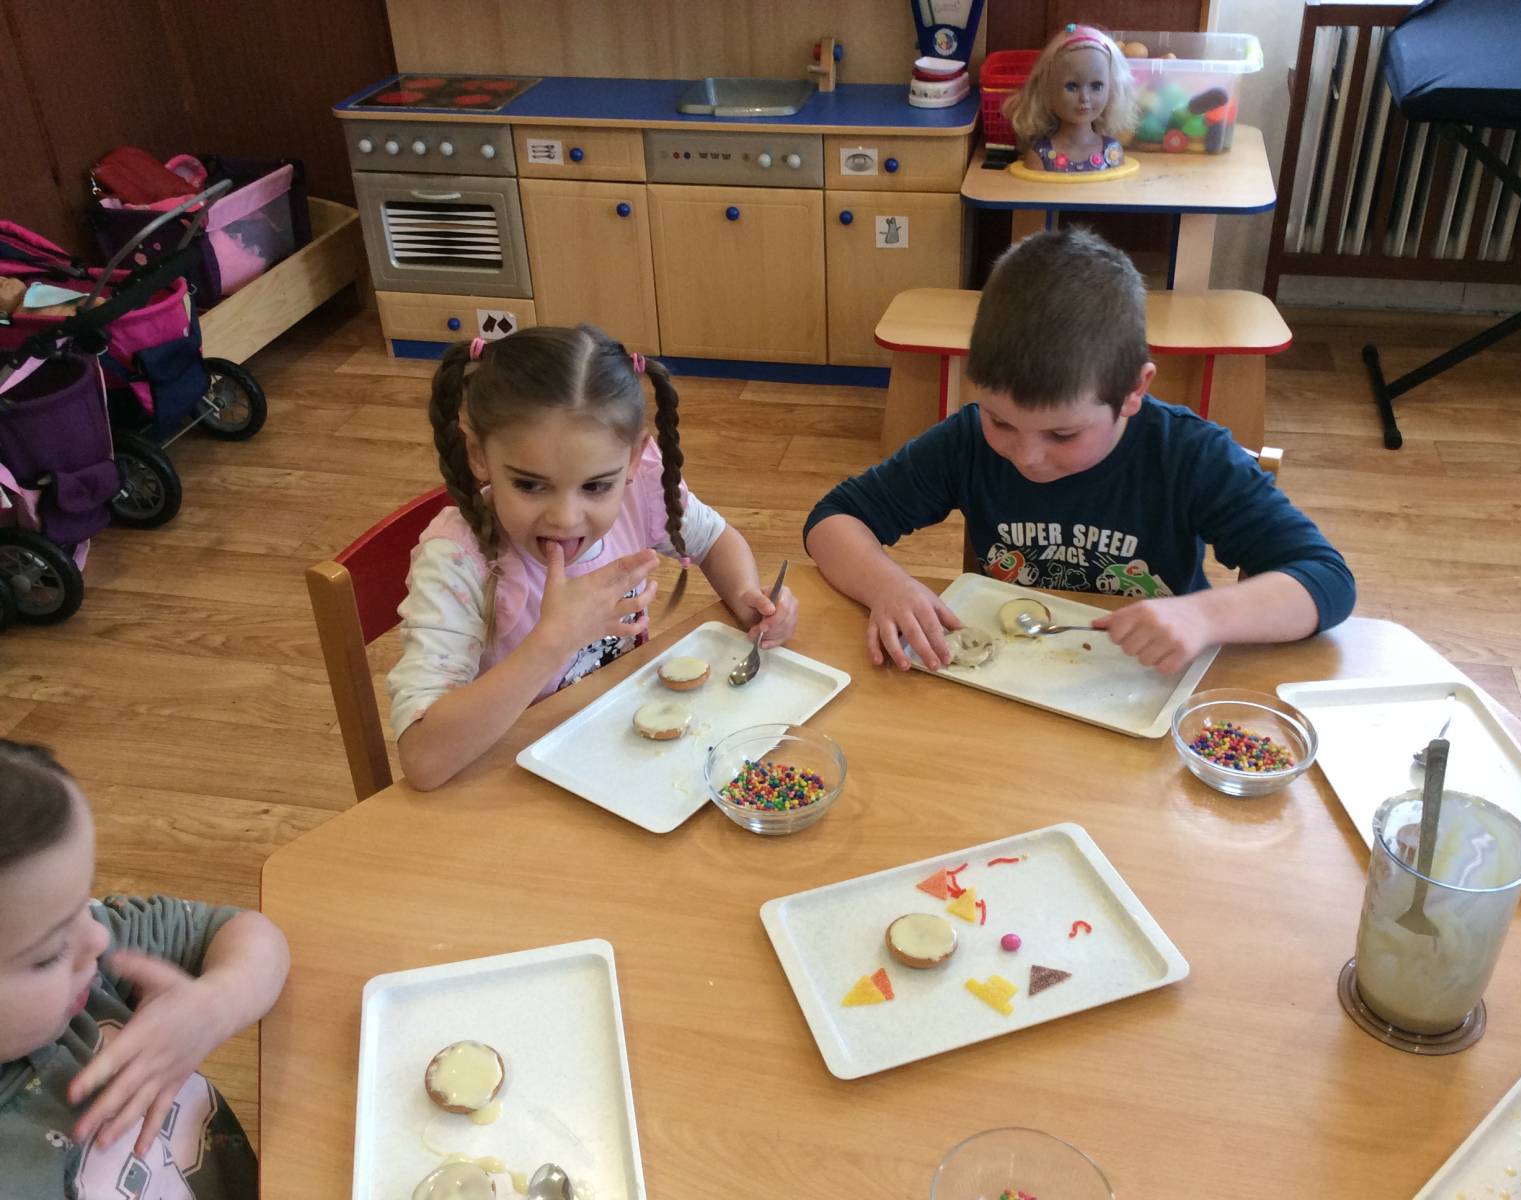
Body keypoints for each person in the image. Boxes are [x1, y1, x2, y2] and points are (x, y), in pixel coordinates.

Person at [805, 227, 1355, 673]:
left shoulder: (1189, 456)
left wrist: (1204, 617)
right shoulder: (967, 441)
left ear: (1134, 390)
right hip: (1015, 677)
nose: (1026, 456)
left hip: (1145, 682)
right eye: (1001, 420)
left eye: (1062, 435)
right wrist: (888, 586)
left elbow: (1326, 579)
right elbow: (832, 520)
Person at [389, 325, 798, 790]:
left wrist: (748, 598)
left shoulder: (641, 490)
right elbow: (422, 759)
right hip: (515, 783)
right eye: (529, 484)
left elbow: (714, 540)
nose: (565, 519)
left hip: (623, 755)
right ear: (478, 454)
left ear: (633, 458)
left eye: (597, 486)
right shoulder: (457, 562)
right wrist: (553, 641)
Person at [0, 739, 289, 1198]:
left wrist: (216, 1005)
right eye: (50, 951)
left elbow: (249, 934)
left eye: (83, 901)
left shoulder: (91, 949)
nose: (96, 938)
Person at [1004, 24, 1138, 173]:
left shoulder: (1112, 153)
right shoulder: (1040, 156)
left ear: (1112, 89)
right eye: (1071, 86)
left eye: (1096, 86)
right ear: (1047, 89)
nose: (1084, 98)